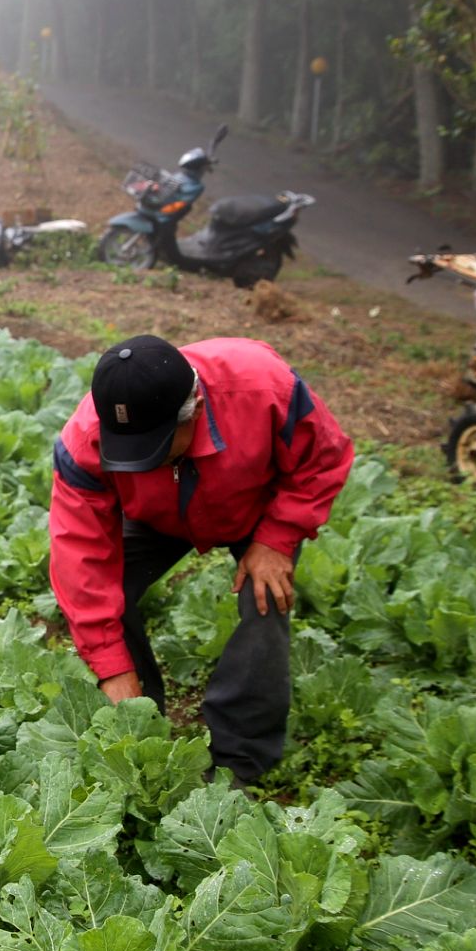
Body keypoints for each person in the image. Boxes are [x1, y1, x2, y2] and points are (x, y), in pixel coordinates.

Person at [48, 335, 352, 783]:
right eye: (131, 453)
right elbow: (81, 561)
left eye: (154, 447)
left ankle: (239, 760)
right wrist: (113, 670)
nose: (142, 461)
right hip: (154, 516)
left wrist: (277, 538)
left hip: (253, 506)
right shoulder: (85, 439)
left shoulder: (264, 387)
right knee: (108, 592)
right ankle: (139, 726)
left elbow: (323, 458)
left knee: (266, 599)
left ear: (194, 409)